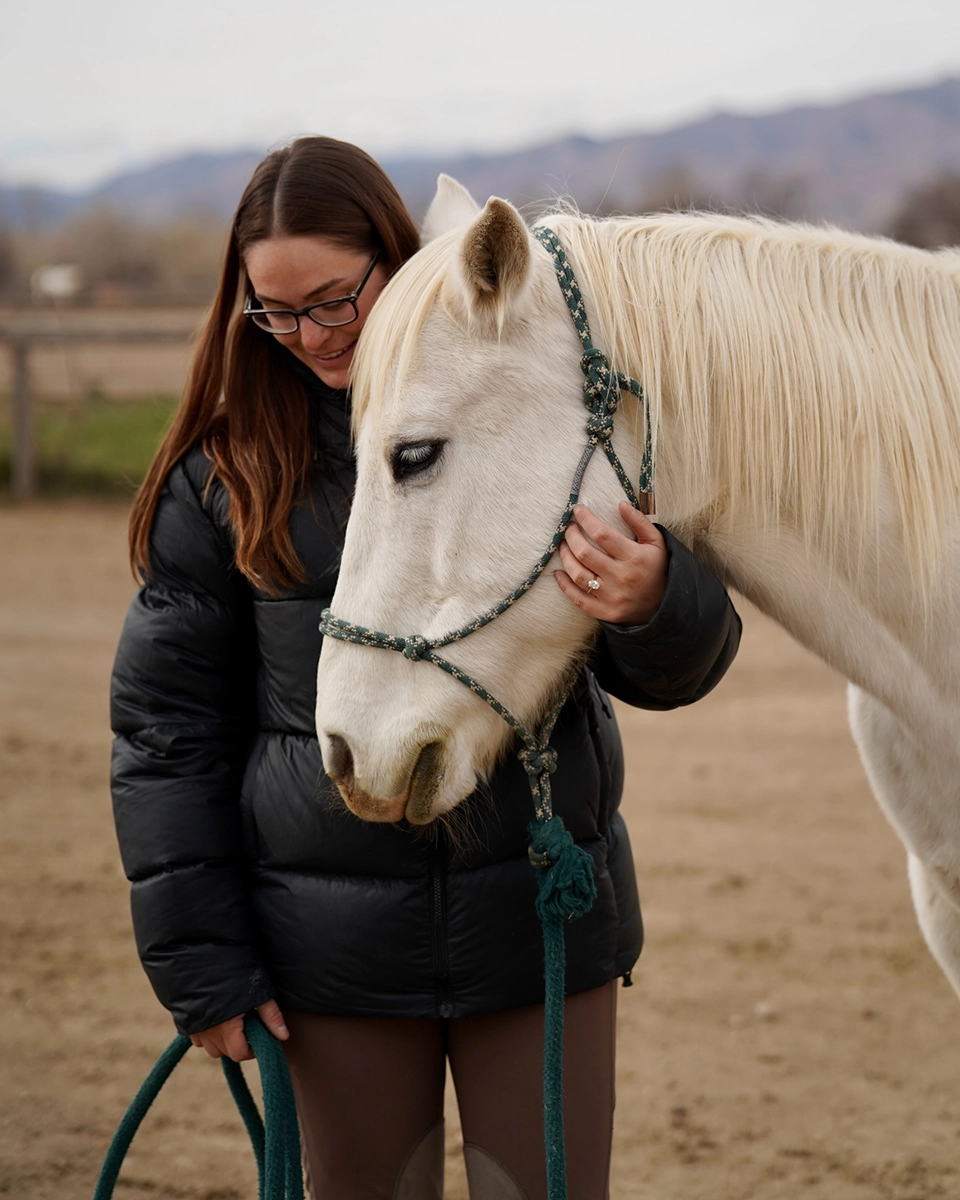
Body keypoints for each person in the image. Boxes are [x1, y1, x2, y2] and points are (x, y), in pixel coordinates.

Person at [110, 135, 741, 1200]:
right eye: (275, 311)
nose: (308, 334)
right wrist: (199, 959)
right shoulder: (229, 472)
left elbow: (674, 668)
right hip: (330, 946)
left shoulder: (522, 411)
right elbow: (167, 734)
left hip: (536, 918)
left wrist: (657, 596)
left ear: (394, 260)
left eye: (333, 299)